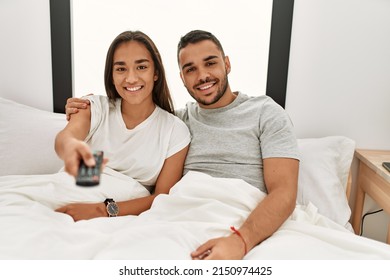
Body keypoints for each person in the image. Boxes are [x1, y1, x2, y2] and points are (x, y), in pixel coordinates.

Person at [65, 30, 300, 260]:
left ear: (227, 64)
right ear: (181, 78)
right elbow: (129, 124)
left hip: (239, 215)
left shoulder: (266, 113)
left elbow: (284, 192)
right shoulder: (177, 123)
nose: (202, 76)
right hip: (177, 214)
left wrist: (241, 240)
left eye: (210, 63)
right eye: (191, 69)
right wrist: (88, 109)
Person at [55, 30, 190, 221]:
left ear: (156, 73)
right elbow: (67, 137)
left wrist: (102, 210)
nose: (131, 78)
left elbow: (161, 199)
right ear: (111, 75)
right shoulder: (95, 107)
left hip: (115, 215)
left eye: (141, 67)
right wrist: (69, 146)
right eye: (121, 69)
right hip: (68, 193)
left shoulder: (174, 130)